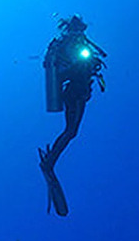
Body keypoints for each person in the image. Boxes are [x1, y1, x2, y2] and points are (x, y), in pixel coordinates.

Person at [39, 15, 107, 216]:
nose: (80, 33)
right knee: (70, 131)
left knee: (71, 132)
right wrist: (80, 65)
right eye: (77, 29)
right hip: (74, 93)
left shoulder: (78, 46)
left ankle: (50, 161)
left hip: (80, 93)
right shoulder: (68, 47)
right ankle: (49, 162)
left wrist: (90, 64)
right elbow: (65, 71)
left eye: (81, 30)